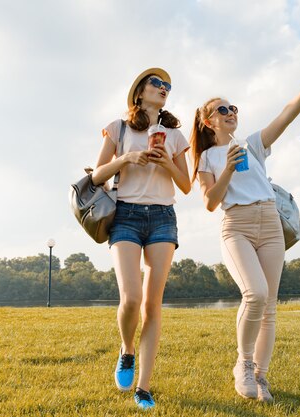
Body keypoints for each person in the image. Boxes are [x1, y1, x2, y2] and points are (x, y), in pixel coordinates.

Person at [189, 50, 300, 403]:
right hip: (236, 226)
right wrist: (226, 167)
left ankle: (261, 377)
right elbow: (211, 202)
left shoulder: (253, 145)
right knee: (254, 294)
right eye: (223, 110)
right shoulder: (207, 158)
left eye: (234, 108)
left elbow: (287, 114)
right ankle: (243, 365)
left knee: (269, 305)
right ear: (209, 122)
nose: (231, 113)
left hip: (270, 222)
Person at [92, 68, 191, 410]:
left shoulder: (174, 135)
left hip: (163, 217)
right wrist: (127, 158)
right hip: (126, 216)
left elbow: (187, 185)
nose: (164, 88)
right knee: (131, 298)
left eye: (168, 86)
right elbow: (96, 175)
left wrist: (166, 163)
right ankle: (127, 349)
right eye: (157, 83)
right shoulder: (118, 128)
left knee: (152, 305)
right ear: (139, 91)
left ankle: (144, 387)